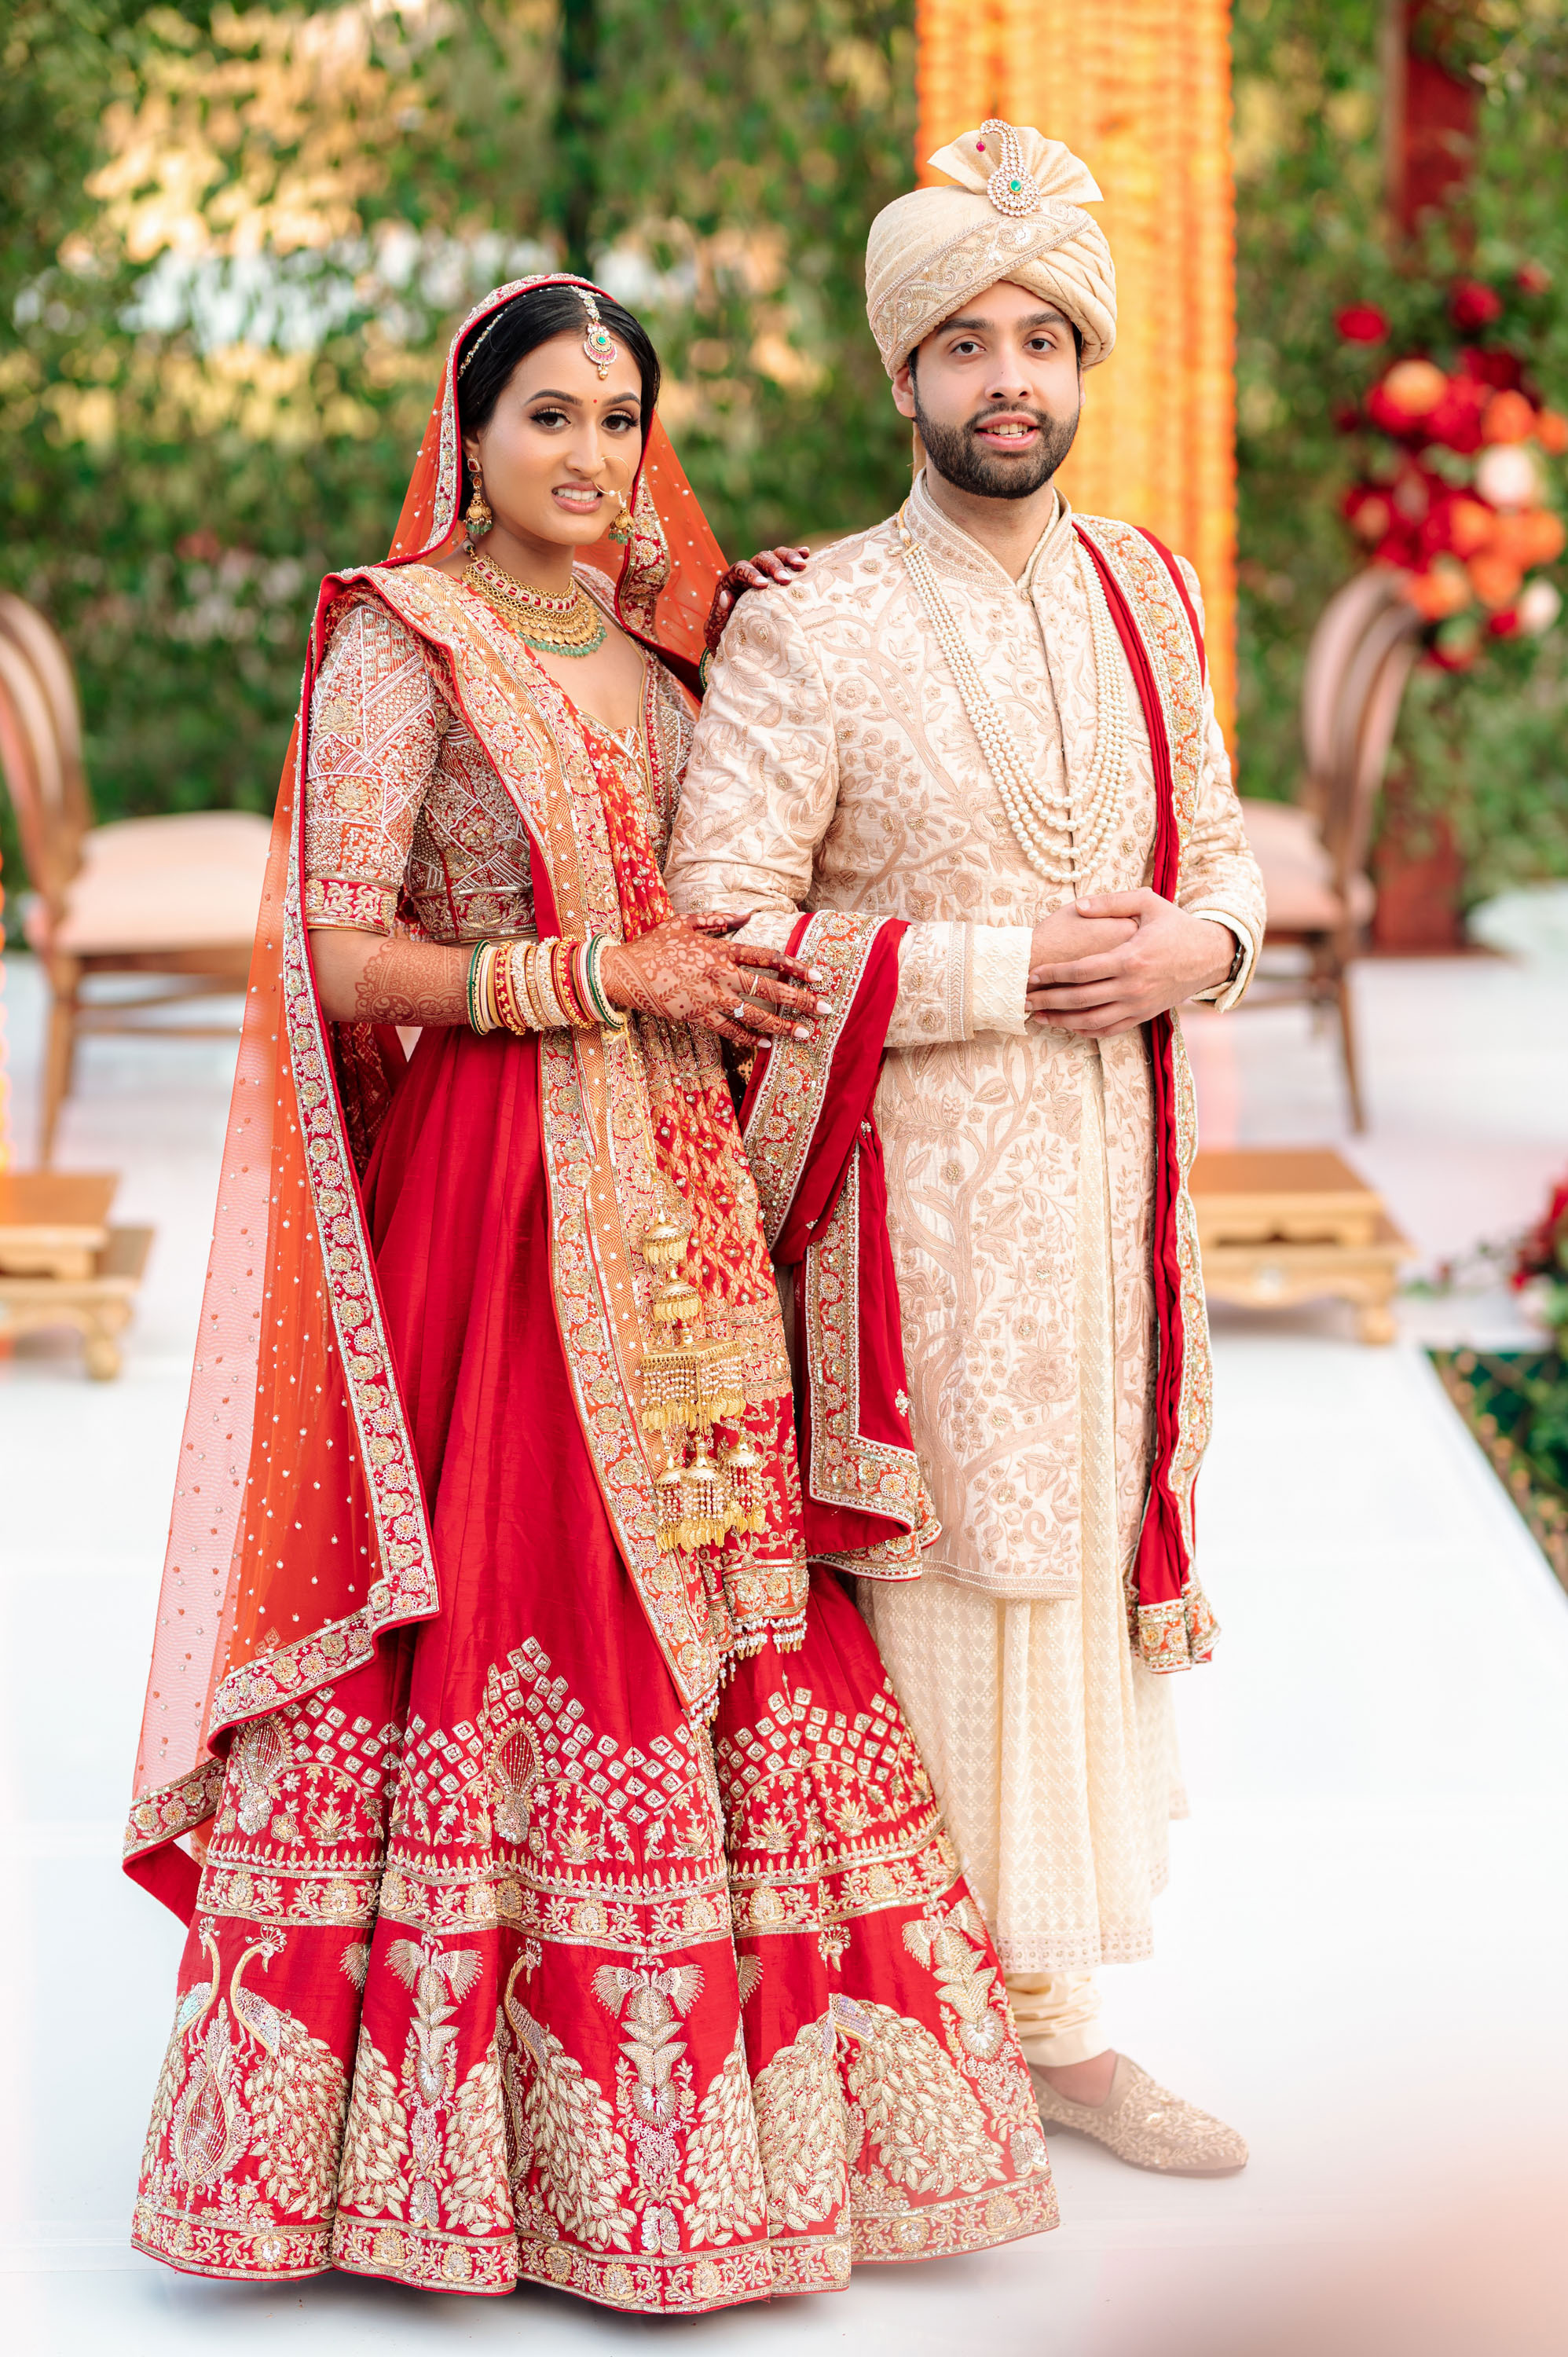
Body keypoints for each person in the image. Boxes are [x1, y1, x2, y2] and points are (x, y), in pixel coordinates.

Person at [122, 274, 1057, 2312]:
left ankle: (752, 2143)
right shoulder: (404, 640)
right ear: (463, 434)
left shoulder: (666, 657)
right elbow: (335, 952)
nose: (590, 456)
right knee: (532, 1603)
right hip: (501, 1190)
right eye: (549, 415)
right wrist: (584, 980)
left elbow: (748, 857)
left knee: (730, 1606)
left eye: (621, 419)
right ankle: (456, 2171)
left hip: (679, 1197)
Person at [665, 123, 1265, 2177]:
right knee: (939, 1596)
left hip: (1107, 1204)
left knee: (1072, 1590)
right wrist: (997, 971)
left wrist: (1204, 941)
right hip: (903, 1214)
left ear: (1076, 370)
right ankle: (886, 2037)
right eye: (965, 347)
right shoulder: (808, 623)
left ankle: (1053, 2032)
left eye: (1041, 342)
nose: (1009, 380)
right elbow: (719, 929)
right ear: (899, 376)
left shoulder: (1143, 592)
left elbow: (1229, 861)